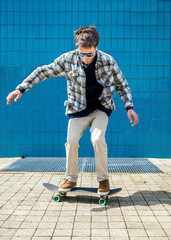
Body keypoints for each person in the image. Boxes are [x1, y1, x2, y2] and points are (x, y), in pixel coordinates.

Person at [6, 25, 139, 195]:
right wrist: (21, 89)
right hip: (77, 109)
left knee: (97, 139)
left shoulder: (108, 61)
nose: (85, 58)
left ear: (96, 47)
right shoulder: (68, 59)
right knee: (71, 141)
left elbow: (122, 85)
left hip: (101, 108)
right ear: (77, 48)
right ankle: (70, 178)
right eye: (81, 54)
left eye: (89, 54)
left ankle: (103, 180)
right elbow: (43, 72)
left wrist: (129, 107)